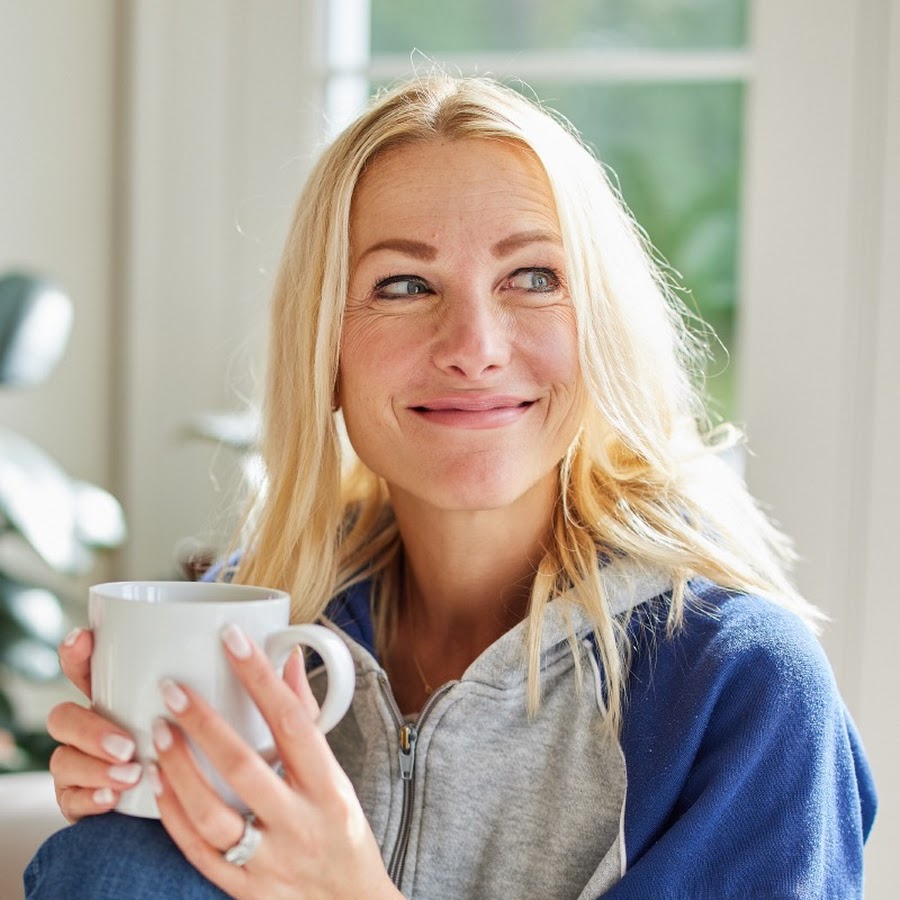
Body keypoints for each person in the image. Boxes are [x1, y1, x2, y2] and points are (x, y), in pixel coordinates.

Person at [27, 74, 875, 899]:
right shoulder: (259, 629)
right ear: (325, 350)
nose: (474, 345)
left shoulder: (740, 684)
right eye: (403, 285)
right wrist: (136, 807)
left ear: (602, 328)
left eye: (534, 277)